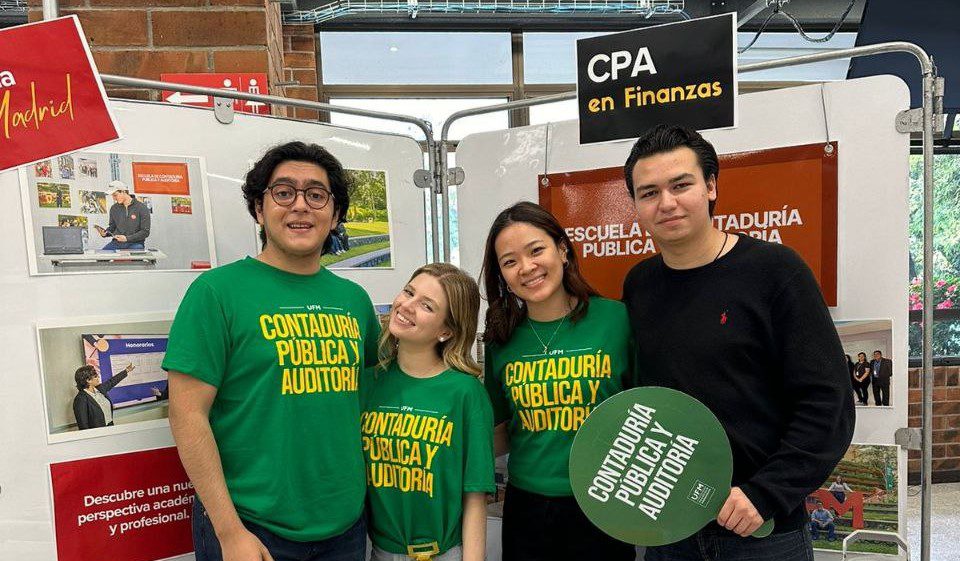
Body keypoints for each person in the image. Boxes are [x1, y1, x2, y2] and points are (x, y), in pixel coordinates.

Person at [621, 125, 854, 560]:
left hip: (762, 531)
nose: (666, 203)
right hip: (670, 530)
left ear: (710, 186)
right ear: (635, 204)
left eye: (681, 185)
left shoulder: (776, 272)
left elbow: (829, 404)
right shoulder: (640, 285)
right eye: (649, 192)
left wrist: (765, 493)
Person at [162, 142, 379, 561]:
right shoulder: (215, 293)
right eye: (284, 192)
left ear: (335, 216)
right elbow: (186, 415)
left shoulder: (354, 300)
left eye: (317, 195)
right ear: (259, 209)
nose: (301, 206)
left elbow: (363, 406)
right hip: (251, 528)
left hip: (346, 526)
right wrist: (229, 532)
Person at [481, 201, 636, 561]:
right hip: (528, 508)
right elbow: (500, 432)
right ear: (501, 274)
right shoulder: (502, 341)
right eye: (509, 261)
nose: (527, 268)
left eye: (536, 251)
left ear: (563, 250)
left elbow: (648, 409)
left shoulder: (616, 319)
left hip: (606, 503)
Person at [362, 263, 494, 561]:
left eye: (426, 305)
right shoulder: (367, 384)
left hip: (445, 553)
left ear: (447, 330)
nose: (406, 306)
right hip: (379, 552)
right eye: (409, 292)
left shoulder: (466, 394)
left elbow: (474, 495)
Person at [72, 363, 134, 430]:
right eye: (95, 376)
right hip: (97, 434)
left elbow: (112, 381)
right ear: (88, 380)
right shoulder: (80, 399)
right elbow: (83, 425)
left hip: (110, 427)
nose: (98, 377)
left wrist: (126, 370)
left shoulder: (100, 388)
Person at [97, 180, 151, 250]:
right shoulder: (114, 208)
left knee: (135, 258)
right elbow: (112, 227)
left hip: (136, 244)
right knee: (101, 259)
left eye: (115, 195)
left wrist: (127, 238)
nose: (114, 198)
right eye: (112, 196)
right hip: (117, 243)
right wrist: (106, 233)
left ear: (123, 191)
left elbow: (145, 232)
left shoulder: (142, 208)